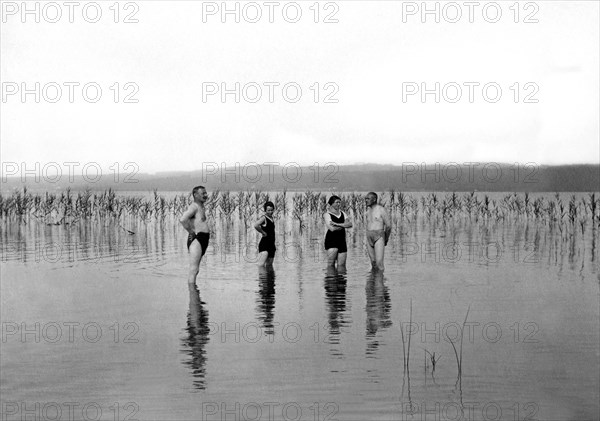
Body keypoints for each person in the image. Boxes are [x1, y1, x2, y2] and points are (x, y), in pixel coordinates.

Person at [179, 186, 210, 284]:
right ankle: (192, 294)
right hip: (197, 239)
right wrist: (191, 232)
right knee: (193, 270)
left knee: (196, 270)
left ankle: (194, 296)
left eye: (205, 193)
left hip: (202, 239)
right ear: (195, 195)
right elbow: (183, 219)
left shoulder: (201, 206)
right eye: (203, 194)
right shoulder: (194, 207)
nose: (205, 195)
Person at [364, 192, 391, 271]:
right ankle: (374, 280)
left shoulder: (381, 209)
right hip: (369, 236)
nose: (366, 200)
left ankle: (380, 282)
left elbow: (388, 226)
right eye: (365, 199)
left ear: (374, 199)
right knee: (373, 262)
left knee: (379, 263)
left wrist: (386, 238)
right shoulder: (367, 211)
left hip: (379, 236)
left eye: (368, 199)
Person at [324, 195, 352, 268]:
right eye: (337, 202)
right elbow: (332, 228)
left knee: (342, 266)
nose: (339, 204)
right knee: (330, 266)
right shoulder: (327, 214)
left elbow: (350, 224)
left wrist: (336, 224)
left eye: (339, 202)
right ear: (331, 204)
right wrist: (343, 225)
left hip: (342, 241)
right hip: (331, 241)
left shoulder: (343, 213)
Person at [254, 201, 276, 267]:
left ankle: (270, 277)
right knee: (261, 265)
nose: (270, 212)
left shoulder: (272, 218)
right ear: (265, 210)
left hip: (272, 245)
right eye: (268, 210)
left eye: (272, 210)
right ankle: (261, 277)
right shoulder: (264, 218)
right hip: (264, 244)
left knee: (269, 266)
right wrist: (263, 232)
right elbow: (256, 225)